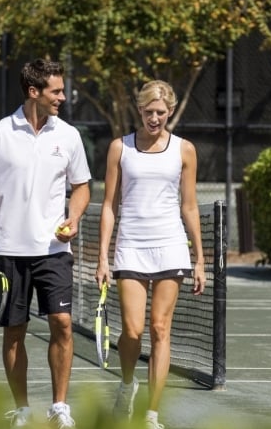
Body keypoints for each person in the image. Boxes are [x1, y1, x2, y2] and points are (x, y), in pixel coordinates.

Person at [0, 58, 91, 428]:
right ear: (33, 92)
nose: (63, 97)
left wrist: (74, 217)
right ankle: (21, 409)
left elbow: (81, 185)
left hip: (54, 252)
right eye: (56, 91)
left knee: (62, 323)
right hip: (8, 253)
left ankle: (59, 407)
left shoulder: (68, 135)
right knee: (14, 331)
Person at [95, 80, 206, 429]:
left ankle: (152, 414)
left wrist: (200, 257)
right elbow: (110, 206)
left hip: (171, 247)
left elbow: (189, 206)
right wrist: (102, 256)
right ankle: (128, 384)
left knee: (160, 329)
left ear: (169, 111)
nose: (154, 118)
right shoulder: (120, 148)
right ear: (138, 111)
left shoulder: (184, 150)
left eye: (160, 112)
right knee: (132, 330)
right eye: (148, 112)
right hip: (131, 248)